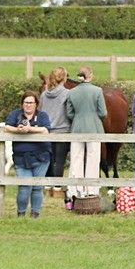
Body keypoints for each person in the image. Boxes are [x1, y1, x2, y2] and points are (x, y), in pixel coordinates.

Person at [4, 92, 52, 217]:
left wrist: (30, 129)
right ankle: (21, 215)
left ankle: (35, 215)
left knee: (37, 187)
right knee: (24, 186)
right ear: (22, 104)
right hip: (21, 157)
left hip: (41, 156)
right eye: (26, 102)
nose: (28, 105)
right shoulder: (15, 114)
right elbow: (7, 127)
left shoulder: (42, 116)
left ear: (36, 104)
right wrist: (18, 130)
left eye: (31, 103)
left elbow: (45, 130)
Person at [64, 66, 107, 199]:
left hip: (77, 128)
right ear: (90, 75)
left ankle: (75, 190)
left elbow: (69, 113)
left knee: (76, 160)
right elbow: (103, 113)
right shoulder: (97, 91)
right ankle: (92, 190)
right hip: (94, 128)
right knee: (93, 160)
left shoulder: (72, 92)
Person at [38, 67, 71, 195]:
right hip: (63, 130)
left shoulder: (44, 94)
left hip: (46, 131)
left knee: (49, 159)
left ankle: (47, 187)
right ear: (64, 78)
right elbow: (69, 112)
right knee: (60, 160)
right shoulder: (67, 94)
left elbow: (40, 112)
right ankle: (57, 189)